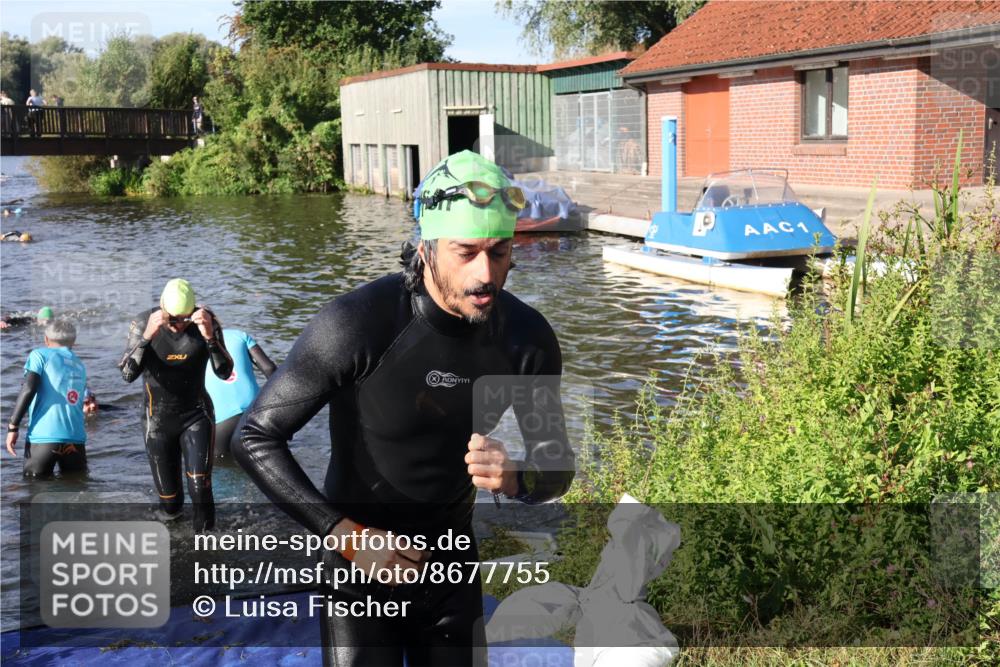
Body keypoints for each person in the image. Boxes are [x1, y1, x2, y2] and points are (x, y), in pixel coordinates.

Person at [234, 150, 576, 666]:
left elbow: (558, 468)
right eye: (467, 251)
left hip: (450, 567)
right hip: (359, 568)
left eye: (500, 252)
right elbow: (255, 436)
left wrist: (516, 478)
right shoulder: (358, 324)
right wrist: (343, 535)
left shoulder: (526, 340)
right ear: (427, 249)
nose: (487, 273)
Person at [119, 279, 233, 531]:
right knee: (170, 504)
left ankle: (206, 547)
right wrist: (148, 336)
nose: (178, 325)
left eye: (184, 319)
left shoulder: (206, 321)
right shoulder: (143, 323)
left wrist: (209, 338)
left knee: (200, 487)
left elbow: (225, 372)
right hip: (157, 421)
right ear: (162, 309)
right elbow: (127, 374)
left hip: (196, 415)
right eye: (172, 319)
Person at [6, 319, 88, 477]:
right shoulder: (80, 364)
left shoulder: (39, 355)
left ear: (46, 339)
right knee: (75, 493)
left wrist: (13, 427)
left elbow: (28, 388)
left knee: (35, 492)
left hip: (44, 439)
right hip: (76, 439)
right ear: (73, 342)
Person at [204, 327, 276, 460]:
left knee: (219, 465)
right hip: (255, 410)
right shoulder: (239, 335)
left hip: (222, 419)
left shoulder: (192, 345)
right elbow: (269, 368)